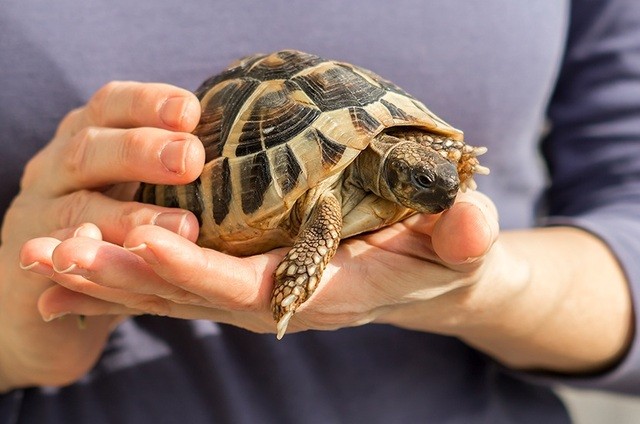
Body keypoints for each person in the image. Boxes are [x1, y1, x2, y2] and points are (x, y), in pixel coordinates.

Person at [1, 1, 639, 422]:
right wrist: (12, 335)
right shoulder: (329, 198)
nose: (438, 191)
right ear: (390, 168)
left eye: (438, 178)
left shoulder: (417, 161)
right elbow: (324, 215)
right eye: (421, 179)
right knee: (323, 214)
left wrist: (495, 290)